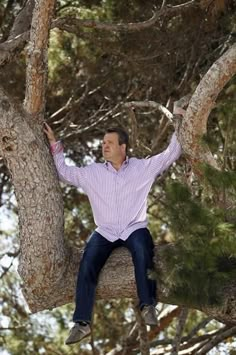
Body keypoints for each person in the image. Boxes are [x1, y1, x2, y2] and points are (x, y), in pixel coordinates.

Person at [44, 117, 182, 345]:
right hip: (105, 231)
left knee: (142, 251)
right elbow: (63, 173)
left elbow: (171, 153)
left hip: (133, 227)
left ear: (122, 147)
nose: (104, 146)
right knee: (87, 263)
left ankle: (148, 305)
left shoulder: (141, 167)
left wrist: (179, 121)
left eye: (109, 142)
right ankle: (82, 323)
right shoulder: (93, 172)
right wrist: (54, 144)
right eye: (103, 143)